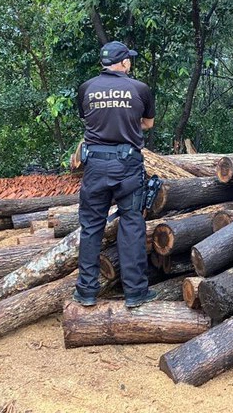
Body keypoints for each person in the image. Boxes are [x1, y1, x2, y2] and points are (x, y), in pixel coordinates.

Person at [72, 41, 157, 309]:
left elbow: (86, 118)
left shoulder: (86, 88)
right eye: (128, 59)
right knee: (131, 224)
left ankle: (86, 291)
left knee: (91, 227)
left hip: (95, 165)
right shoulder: (139, 89)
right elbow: (148, 124)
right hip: (127, 166)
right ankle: (135, 293)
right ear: (124, 63)